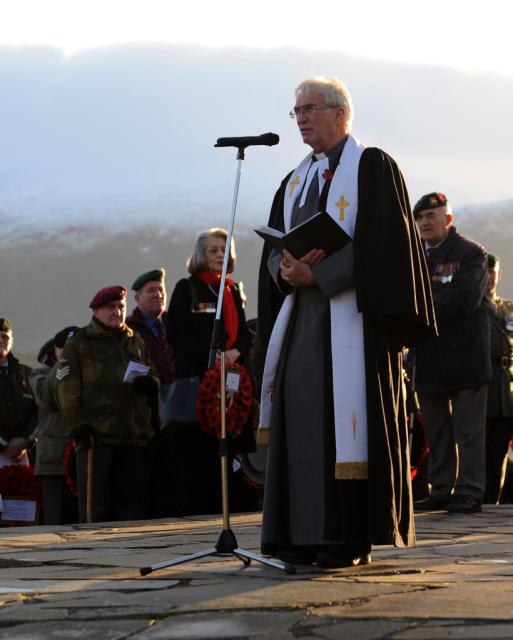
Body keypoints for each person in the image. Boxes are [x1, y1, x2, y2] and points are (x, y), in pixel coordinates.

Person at [256, 76, 435, 568]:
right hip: (300, 325)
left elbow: (386, 249)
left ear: (340, 113)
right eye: (296, 111)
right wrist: (287, 270)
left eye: (309, 108)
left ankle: (344, 537)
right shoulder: (292, 181)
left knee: (340, 427)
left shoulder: (372, 168)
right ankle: (297, 534)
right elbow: (273, 246)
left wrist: (323, 273)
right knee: (298, 428)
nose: (301, 119)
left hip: (349, 322)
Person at [165, 228, 255, 516]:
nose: (220, 255)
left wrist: (236, 351)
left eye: (224, 250)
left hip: (231, 382)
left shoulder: (232, 289)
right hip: (200, 385)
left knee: (232, 456)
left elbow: (242, 333)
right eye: (213, 250)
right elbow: (176, 334)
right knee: (199, 461)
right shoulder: (186, 288)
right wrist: (210, 356)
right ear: (200, 255)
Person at [413, 192, 490, 514]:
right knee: (436, 429)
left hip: (465, 355)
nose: (425, 223)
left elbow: (463, 297)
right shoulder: (413, 255)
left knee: (468, 430)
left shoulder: (471, 253)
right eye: (420, 218)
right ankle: (441, 489)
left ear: (448, 218)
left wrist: (416, 310)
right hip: (429, 354)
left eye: (432, 215)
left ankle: (470, 491)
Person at [56, 286, 157, 523]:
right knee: (96, 510)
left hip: (132, 435)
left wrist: (151, 384)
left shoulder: (135, 341)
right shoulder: (80, 342)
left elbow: (155, 375)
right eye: (111, 307)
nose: (117, 312)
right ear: (96, 311)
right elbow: (65, 387)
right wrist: (77, 425)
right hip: (96, 437)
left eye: (121, 307)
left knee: (131, 508)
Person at [126, 268, 176, 518]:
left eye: (161, 290)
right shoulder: (130, 329)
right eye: (151, 291)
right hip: (145, 413)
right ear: (137, 298)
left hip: (172, 411)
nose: (158, 295)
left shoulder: (172, 324)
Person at [29, 327, 79, 525]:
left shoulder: (81, 372)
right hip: (53, 461)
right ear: (53, 353)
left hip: (79, 457)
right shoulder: (39, 374)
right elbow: (46, 397)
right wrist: (63, 363)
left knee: (80, 519)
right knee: (54, 521)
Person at [483, 253, 513, 503]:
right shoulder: (472, 306)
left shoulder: (509, 308)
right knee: (479, 450)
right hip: (483, 387)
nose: (489, 277)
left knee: (500, 451)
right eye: (485, 272)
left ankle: (494, 499)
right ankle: (478, 497)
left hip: (507, 390)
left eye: (493, 272)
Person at [0, 318, 38, 467]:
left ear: (12, 341)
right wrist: (4, 445)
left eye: (5, 336)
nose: (1, 340)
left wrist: (25, 440)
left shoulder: (28, 374)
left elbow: (40, 411)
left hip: (24, 457)